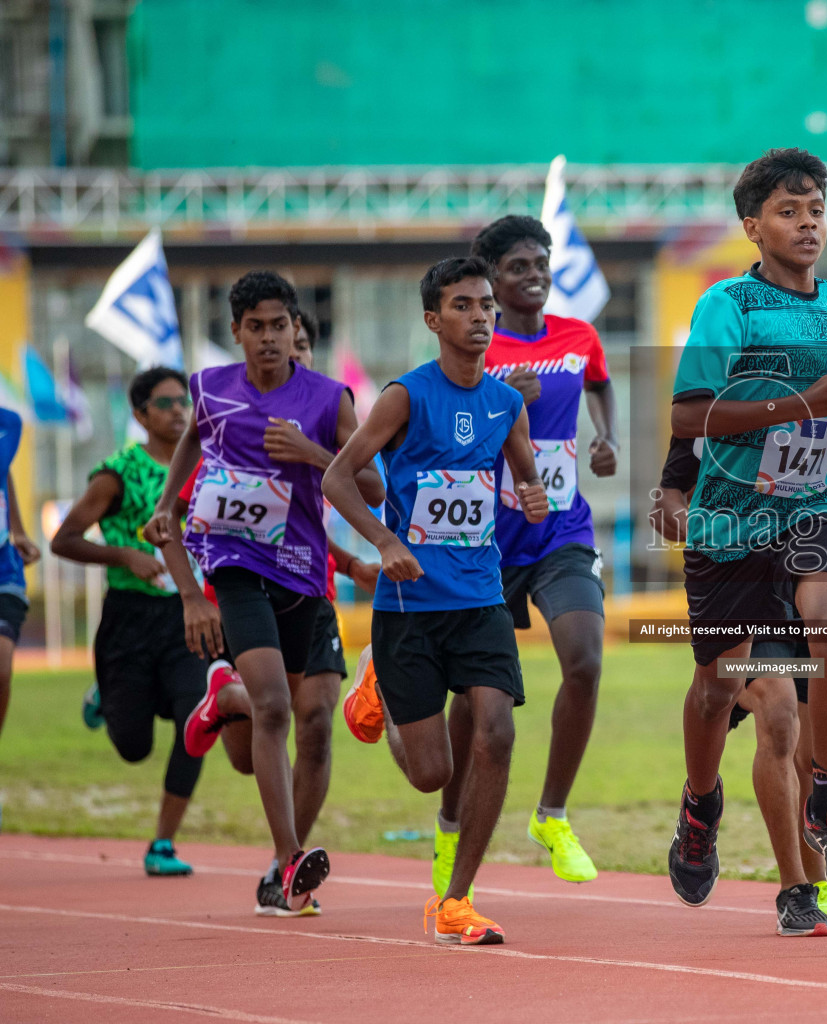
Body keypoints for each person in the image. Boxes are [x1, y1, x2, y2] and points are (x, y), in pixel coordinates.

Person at [667, 148, 827, 927]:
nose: (808, 224)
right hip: (728, 524)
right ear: (753, 226)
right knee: (720, 689)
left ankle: (824, 812)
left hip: (809, 509)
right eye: (789, 213)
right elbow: (688, 418)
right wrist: (798, 403)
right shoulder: (729, 304)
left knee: (818, 653)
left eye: (817, 211)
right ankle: (700, 806)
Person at [326, 256, 548, 945]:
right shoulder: (405, 397)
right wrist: (387, 541)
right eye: (463, 306)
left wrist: (534, 498)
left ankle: (457, 900)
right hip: (410, 604)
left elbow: (526, 481)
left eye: (487, 306)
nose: (481, 316)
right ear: (434, 320)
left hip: (480, 597)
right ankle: (380, 685)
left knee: (498, 732)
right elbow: (338, 477)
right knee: (431, 775)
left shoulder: (506, 403)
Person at [146, 271, 379, 916]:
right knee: (279, 709)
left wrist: (312, 453)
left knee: (295, 725)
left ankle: (226, 699)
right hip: (234, 564)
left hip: (303, 577)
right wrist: (169, 505)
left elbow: (376, 488)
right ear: (237, 332)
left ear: (296, 330)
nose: (269, 338)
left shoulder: (330, 399)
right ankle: (288, 860)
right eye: (257, 327)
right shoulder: (211, 388)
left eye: (280, 326)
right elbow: (193, 435)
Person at [651, 369, 827, 929]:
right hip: (746, 571)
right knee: (776, 712)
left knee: (812, 742)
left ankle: (824, 823)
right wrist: (695, 527)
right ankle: (792, 883)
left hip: (817, 560)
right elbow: (668, 496)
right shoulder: (720, 400)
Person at [432, 214, 616, 888]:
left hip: (560, 531)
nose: (534, 276)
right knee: (477, 703)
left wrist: (608, 438)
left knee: (586, 661)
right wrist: (502, 404)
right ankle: (451, 824)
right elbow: (446, 442)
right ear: (491, 282)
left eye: (540, 264)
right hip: (485, 545)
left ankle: (553, 813)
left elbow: (598, 381)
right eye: (518, 268)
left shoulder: (578, 336)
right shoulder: (477, 353)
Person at [50, 368, 209, 876]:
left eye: (183, 400)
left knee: (196, 722)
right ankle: (105, 695)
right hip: (129, 620)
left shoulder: (205, 466)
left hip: (188, 615)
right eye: (164, 403)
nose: (179, 409)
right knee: (134, 747)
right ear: (140, 414)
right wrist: (126, 557)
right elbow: (64, 539)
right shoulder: (117, 472)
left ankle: (162, 842)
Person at [0, 404, 39, 758]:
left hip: (3, 569)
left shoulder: (8, 423)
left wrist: (18, 530)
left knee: (1, 667)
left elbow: (4, 468)